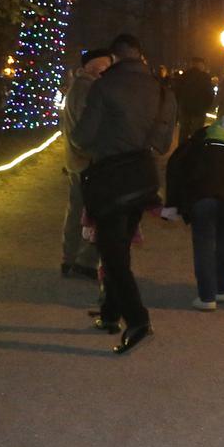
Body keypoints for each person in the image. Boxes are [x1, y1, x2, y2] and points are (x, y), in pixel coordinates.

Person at [72, 33, 177, 354]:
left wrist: (107, 140)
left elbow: (81, 137)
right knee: (120, 247)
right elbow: (162, 143)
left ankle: (138, 320)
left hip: (111, 180)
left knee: (112, 254)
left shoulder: (104, 87)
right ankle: (110, 314)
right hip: (142, 179)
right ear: (141, 56)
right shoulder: (163, 91)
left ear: (115, 58)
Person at [166, 112, 224, 311]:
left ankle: (206, 297)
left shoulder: (198, 142)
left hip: (201, 196)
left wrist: (172, 205)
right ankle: (223, 288)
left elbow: (176, 165)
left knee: (203, 243)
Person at [58, 47, 111, 279]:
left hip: (78, 158)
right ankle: (77, 260)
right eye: (106, 66)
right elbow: (86, 127)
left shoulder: (80, 86)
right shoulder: (87, 89)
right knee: (84, 211)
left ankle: (72, 259)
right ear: (95, 67)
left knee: (78, 209)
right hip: (85, 160)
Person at [175, 57, 216, 144]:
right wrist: (207, 107)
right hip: (199, 111)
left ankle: (181, 150)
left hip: (185, 109)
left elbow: (177, 91)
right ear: (201, 65)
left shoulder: (185, 75)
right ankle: (193, 150)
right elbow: (210, 94)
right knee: (196, 135)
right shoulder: (205, 77)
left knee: (183, 132)